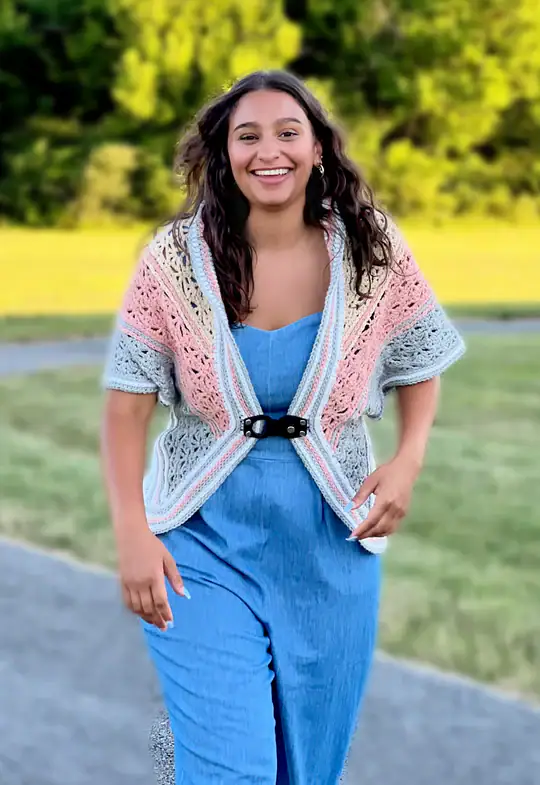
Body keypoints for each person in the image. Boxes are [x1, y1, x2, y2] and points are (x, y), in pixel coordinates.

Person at [100, 69, 465, 785]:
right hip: (198, 547)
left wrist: (408, 458)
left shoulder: (370, 248)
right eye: (248, 135)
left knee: (308, 773)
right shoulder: (174, 263)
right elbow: (126, 404)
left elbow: (421, 356)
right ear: (225, 155)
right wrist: (131, 530)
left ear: (319, 149)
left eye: (288, 131)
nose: (270, 149)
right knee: (231, 770)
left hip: (332, 550)